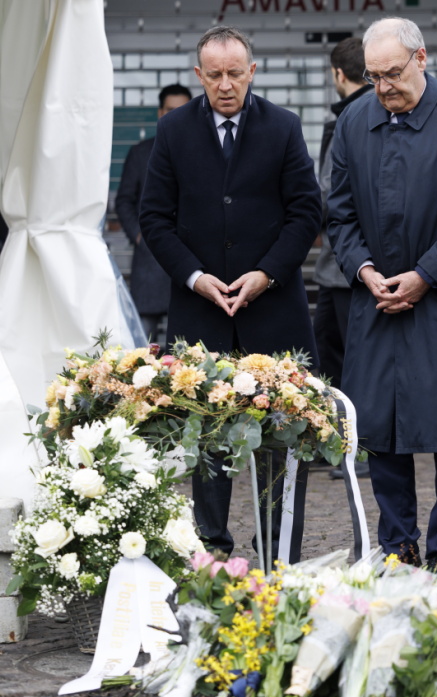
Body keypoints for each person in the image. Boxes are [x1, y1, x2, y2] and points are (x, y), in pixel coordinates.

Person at [326, 17, 437, 570]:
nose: (383, 87)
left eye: (393, 74)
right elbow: (339, 213)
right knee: (380, 427)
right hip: (378, 298)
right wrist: (363, 269)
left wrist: (426, 274)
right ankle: (397, 548)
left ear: (421, 59)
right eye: (373, 77)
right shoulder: (354, 122)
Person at [140, 26, 321, 560]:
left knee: (284, 435)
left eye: (235, 74)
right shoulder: (173, 131)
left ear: (252, 72)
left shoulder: (284, 127)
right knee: (207, 441)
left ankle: (278, 551)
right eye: (214, 75)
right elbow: (154, 217)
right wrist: (194, 276)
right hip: (201, 314)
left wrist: (267, 273)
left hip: (275, 310)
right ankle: (212, 549)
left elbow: (306, 211)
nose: (225, 85)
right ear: (199, 75)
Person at [314, 36, 372, 481]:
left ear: (338, 74)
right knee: (337, 357)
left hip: (347, 265)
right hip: (345, 265)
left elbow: (330, 191)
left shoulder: (350, 119)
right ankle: (338, 444)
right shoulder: (372, 113)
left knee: (349, 361)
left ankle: (358, 447)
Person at [115, 83, 192, 346]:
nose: (176, 116)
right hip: (150, 262)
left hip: (191, 261)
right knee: (142, 346)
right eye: (170, 110)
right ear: (160, 113)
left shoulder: (204, 151)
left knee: (187, 349)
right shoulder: (140, 152)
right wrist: (139, 236)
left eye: (182, 110)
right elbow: (124, 201)